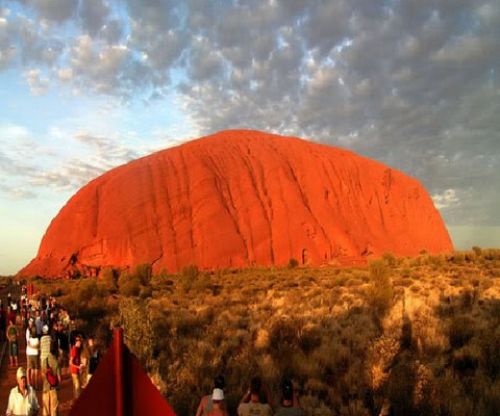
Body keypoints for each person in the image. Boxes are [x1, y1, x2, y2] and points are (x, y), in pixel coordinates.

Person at [41, 341, 61, 416]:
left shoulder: (44, 361)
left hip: (45, 389)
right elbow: (59, 378)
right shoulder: (56, 362)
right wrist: (59, 386)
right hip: (54, 389)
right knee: (54, 411)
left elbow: (43, 376)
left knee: (45, 411)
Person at [70, 335, 84, 400]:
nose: (80, 343)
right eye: (79, 341)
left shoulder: (77, 349)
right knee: (77, 388)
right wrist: (78, 367)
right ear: (76, 342)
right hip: (74, 371)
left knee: (76, 388)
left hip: (75, 371)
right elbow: (70, 362)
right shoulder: (74, 350)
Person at [26, 325, 40, 390]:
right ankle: (36, 385)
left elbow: (28, 345)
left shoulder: (29, 340)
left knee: (31, 371)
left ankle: (32, 385)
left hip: (29, 354)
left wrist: (31, 346)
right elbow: (38, 347)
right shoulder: (37, 339)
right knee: (36, 371)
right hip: (35, 355)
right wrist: (35, 347)